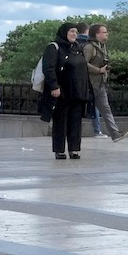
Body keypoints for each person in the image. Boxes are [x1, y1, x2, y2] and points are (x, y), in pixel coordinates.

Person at [41, 23, 92, 159]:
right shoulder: (54, 47)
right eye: (71, 31)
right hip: (62, 91)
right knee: (60, 121)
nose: (74, 34)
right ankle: (59, 150)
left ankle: (74, 149)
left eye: (76, 32)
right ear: (64, 33)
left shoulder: (77, 48)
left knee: (75, 122)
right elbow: (48, 68)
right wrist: (54, 86)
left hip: (77, 92)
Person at [82, 24, 128, 142]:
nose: (107, 34)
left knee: (106, 109)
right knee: (80, 110)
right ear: (97, 34)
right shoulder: (89, 47)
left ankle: (115, 133)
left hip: (100, 84)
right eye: (104, 32)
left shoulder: (101, 47)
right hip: (89, 85)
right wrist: (98, 70)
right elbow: (83, 64)